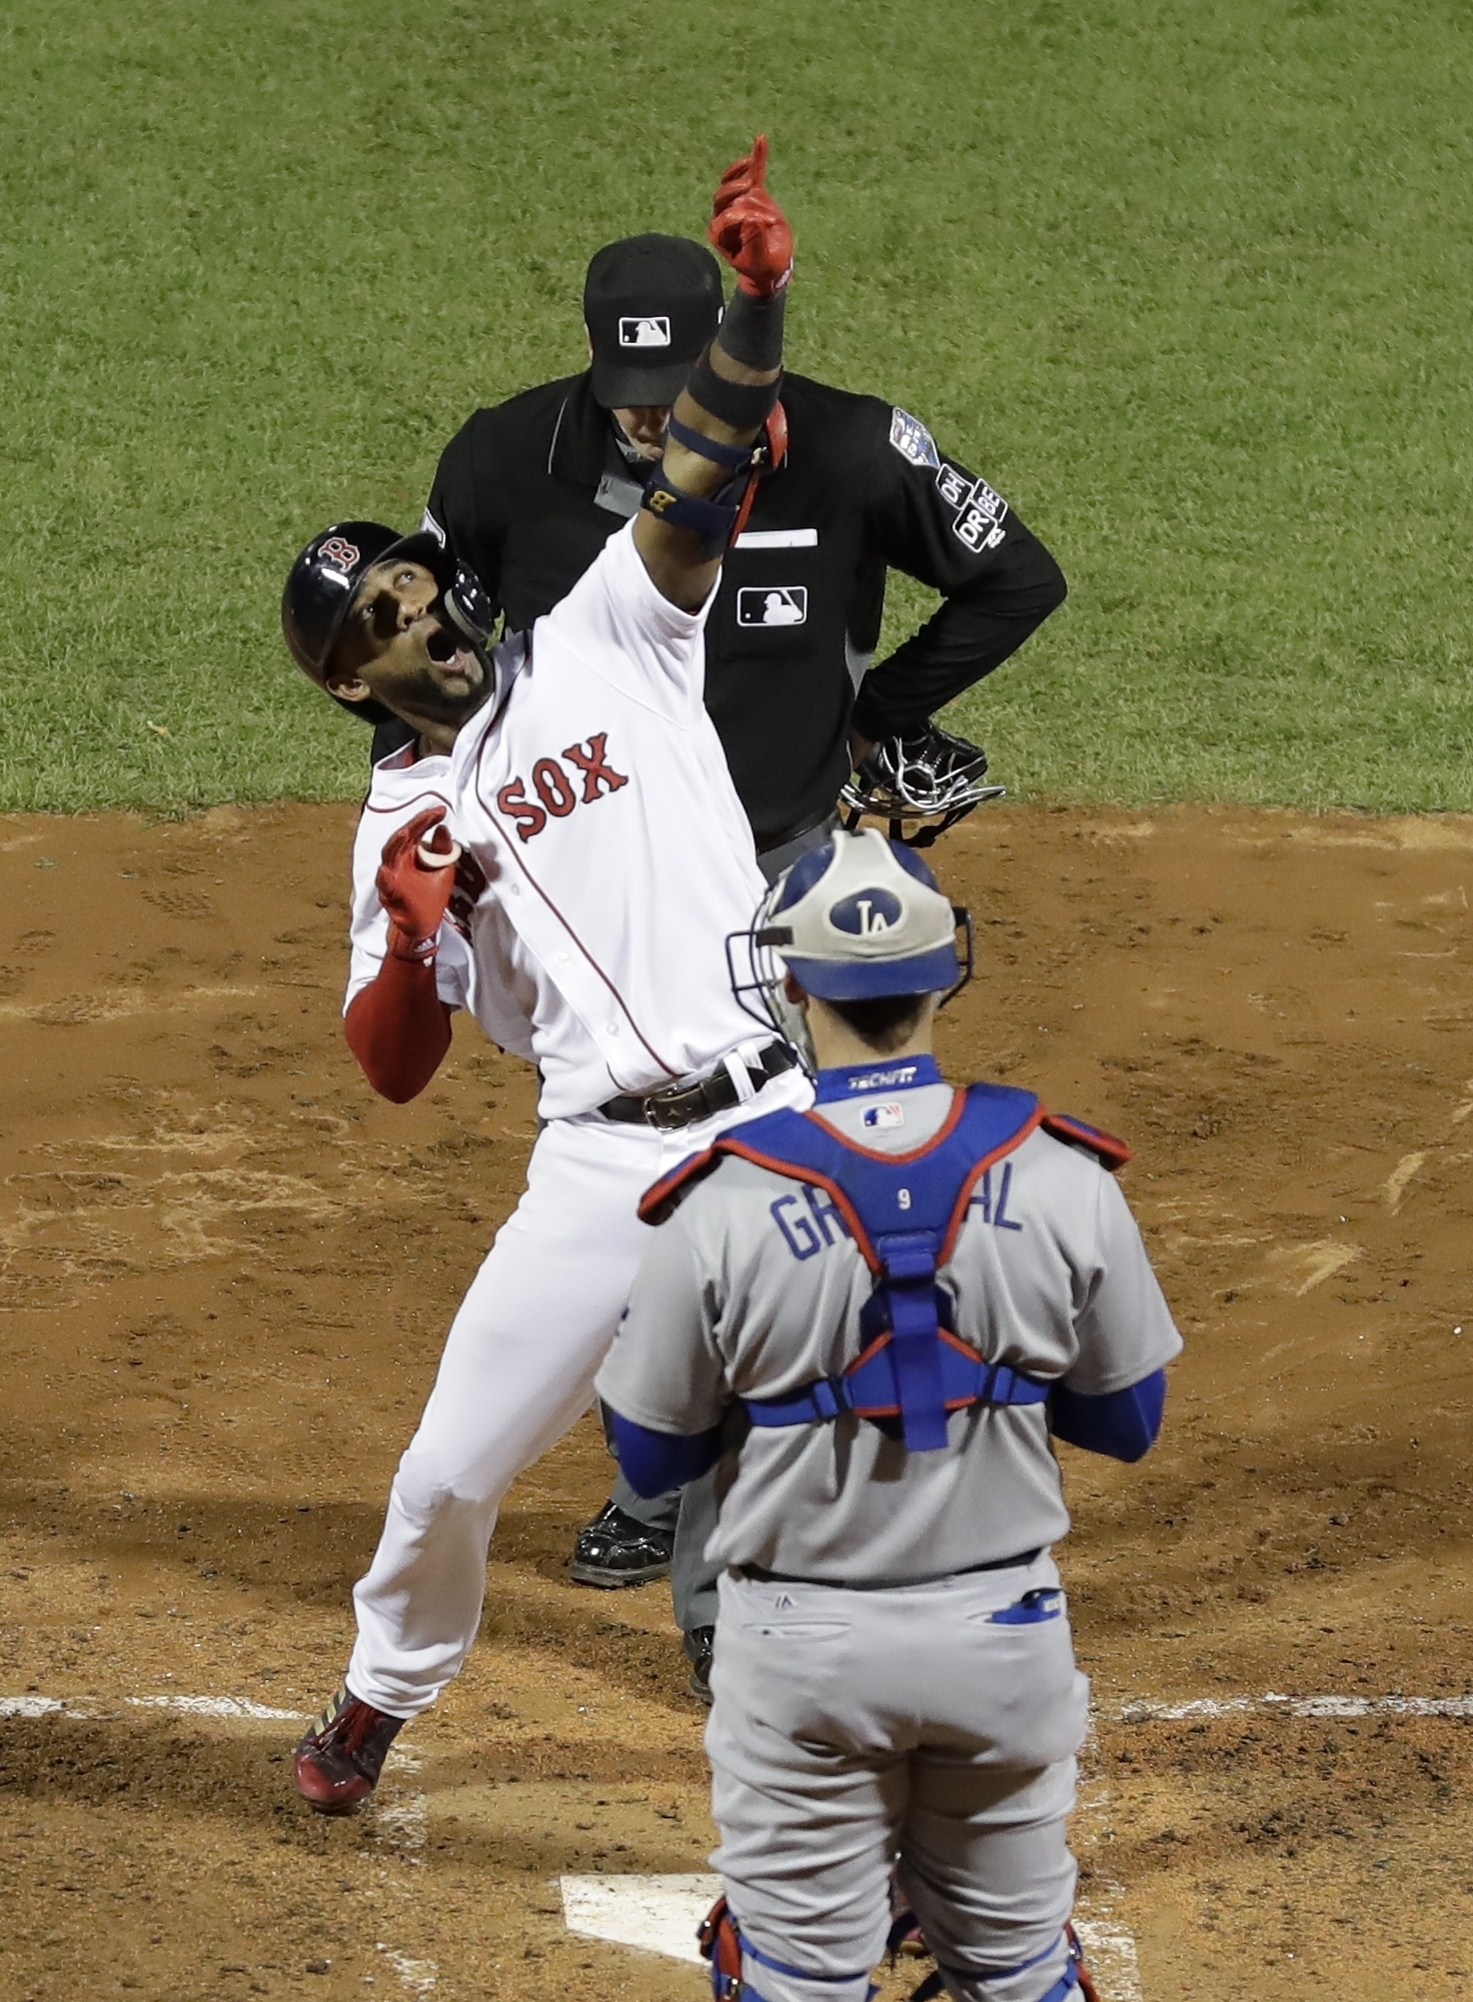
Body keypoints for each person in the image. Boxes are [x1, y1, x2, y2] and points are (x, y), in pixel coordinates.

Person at [402, 217, 1068, 1654]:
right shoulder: (502, 460)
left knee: (758, 1221)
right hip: (618, 901)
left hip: (787, 886)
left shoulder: (848, 447)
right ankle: (665, 1464)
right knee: (644, 1193)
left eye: (677, 386)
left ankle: (719, 1578)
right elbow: (431, 644)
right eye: (626, 390)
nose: (650, 416)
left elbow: (1019, 577)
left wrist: (876, 717)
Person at [279, 139, 812, 1812]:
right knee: (443, 1475)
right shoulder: (394, 819)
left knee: (873, 1450)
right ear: (353, 681)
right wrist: (422, 919)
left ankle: (884, 1749)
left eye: (414, 585)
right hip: (600, 1159)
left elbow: (708, 465)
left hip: (779, 1111)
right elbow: (387, 1065)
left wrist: (755, 303)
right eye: (379, 620)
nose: (418, 619)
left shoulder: (604, 632)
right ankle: (378, 1694)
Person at [595, 827, 1181, 2002]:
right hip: (1006, 1642)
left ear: (794, 980)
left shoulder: (720, 1199)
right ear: (942, 971)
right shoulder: (1064, 1171)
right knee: (1020, 1971)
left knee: (791, 1977)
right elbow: (1129, 1421)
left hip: (801, 1656)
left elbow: (648, 1455)